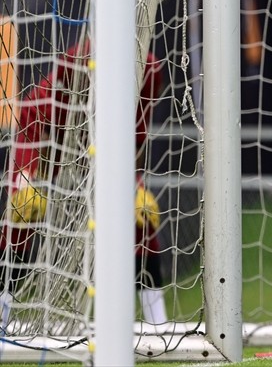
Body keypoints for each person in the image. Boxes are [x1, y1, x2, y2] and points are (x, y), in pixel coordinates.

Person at [0, 40, 169, 325]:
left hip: (102, 147)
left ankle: (159, 322)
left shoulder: (148, 68)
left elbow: (135, 135)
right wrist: (26, 179)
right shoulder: (76, 62)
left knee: (142, 218)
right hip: (49, 143)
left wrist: (133, 186)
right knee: (19, 217)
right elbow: (32, 122)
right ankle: (2, 311)